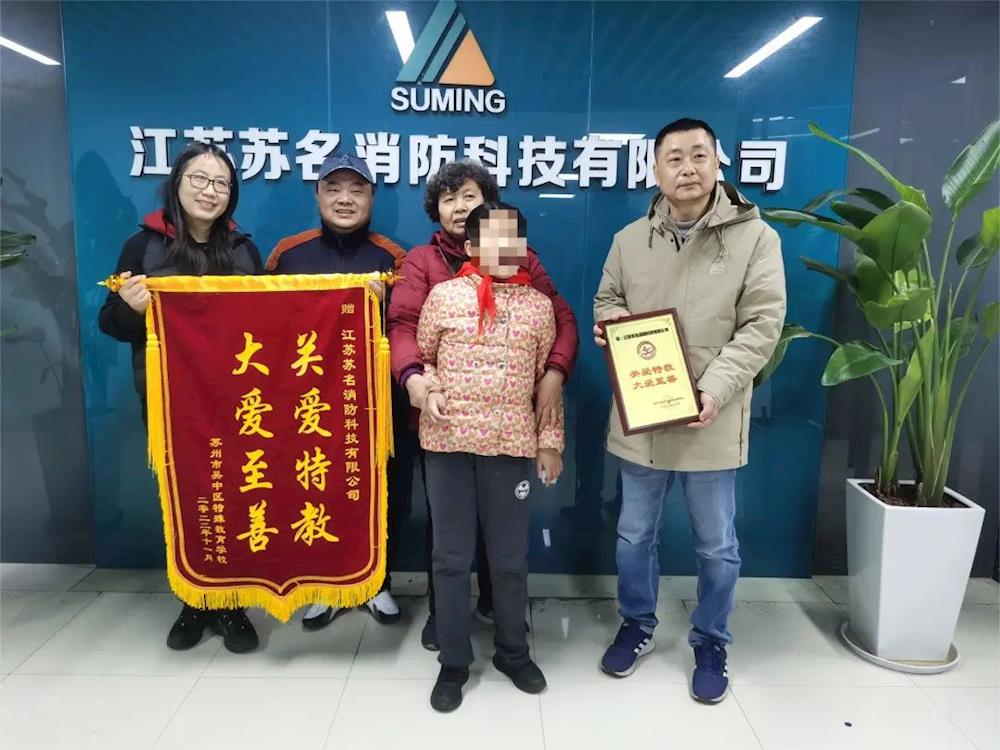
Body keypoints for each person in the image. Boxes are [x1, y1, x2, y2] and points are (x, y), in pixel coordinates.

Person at [593, 118, 786, 703]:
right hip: (643, 416)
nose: (687, 168)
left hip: (712, 418)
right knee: (634, 536)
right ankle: (637, 623)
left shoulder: (756, 238)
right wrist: (611, 327)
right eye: (673, 158)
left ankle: (711, 639)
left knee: (716, 545)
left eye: (699, 155)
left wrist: (715, 389)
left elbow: (763, 324)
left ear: (717, 162)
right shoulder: (629, 239)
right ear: (655, 169)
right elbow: (607, 299)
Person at [387, 159, 578, 649]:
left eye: (468, 195)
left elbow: (559, 322)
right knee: (448, 539)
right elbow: (406, 328)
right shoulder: (426, 266)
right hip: (446, 426)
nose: (458, 206)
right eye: (448, 198)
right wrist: (415, 379)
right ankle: (447, 624)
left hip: (510, 432)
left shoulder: (526, 271)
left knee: (507, 543)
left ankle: (503, 619)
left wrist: (554, 374)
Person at [98, 141, 263, 654]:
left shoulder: (244, 251)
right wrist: (131, 308)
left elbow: (270, 322)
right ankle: (193, 600)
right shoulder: (143, 246)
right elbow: (110, 323)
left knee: (235, 496)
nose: (210, 191)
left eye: (221, 184)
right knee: (183, 499)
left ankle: (230, 602)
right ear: (176, 183)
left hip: (237, 403)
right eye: (200, 179)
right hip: (170, 402)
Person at [417, 202, 562, 712]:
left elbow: (547, 386)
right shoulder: (443, 296)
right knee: (450, 559)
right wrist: (428, 387)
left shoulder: (538, 307)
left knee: (508, 560)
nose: (502, 248)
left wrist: (549, 442)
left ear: (523, 247)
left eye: (512, 239)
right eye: (491, 239)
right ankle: (453, 662)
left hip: (510, 446)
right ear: (471, 246)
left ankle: (512, 652)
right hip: (448, 445)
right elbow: (424, 359)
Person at [266, 150, 408, 629]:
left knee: (384, 490)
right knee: (316, 485)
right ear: (317, 195)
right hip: (308, 404)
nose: (345, 199)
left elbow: (411, 327)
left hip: (375, 405)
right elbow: (264, 327)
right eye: (334, 188)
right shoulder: (288, 254)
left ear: (372, 198)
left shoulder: (394, 258)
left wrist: (383, 303)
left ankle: (379, 580)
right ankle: (325, 584)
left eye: (356, 190)